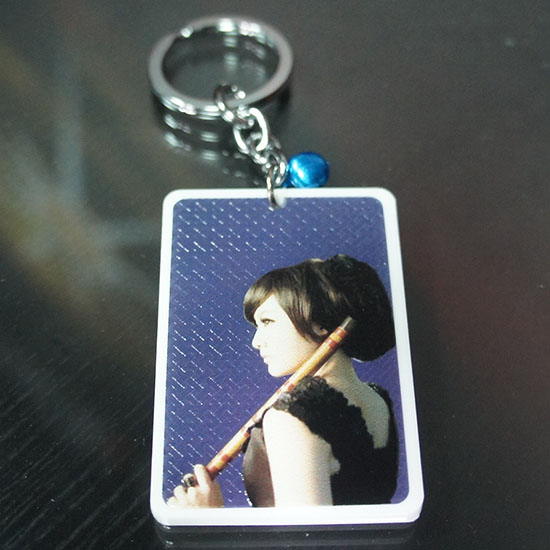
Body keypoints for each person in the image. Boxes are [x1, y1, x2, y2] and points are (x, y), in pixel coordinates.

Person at [168, 254, 398, 508]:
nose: (256, 342)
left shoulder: (293, 416)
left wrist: (210, 520)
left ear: (319, 322)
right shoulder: (378, 400)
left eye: (267, 321)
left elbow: (306, 533)